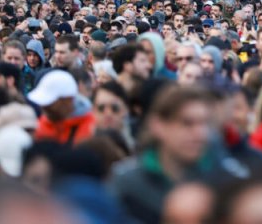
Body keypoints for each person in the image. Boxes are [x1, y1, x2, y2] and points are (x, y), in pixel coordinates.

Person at [109, 85, 215, 224]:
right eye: (187, 123)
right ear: (158, 125)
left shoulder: (220, 179)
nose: (200, 134)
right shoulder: (126, 182)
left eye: (204, 124)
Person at [28, 70, 96, 145]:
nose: (45, 107)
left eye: (50, 102)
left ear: (68, 100)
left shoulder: (90, 128)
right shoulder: (42, 124)